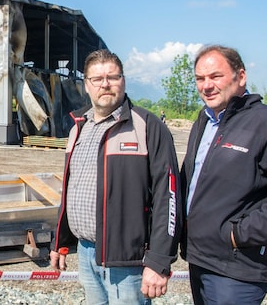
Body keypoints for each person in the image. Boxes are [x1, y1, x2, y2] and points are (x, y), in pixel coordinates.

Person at [180, 45, 267, 304]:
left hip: (238, 269)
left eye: (215, 76)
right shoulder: (205, 121)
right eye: (200, 79)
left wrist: (239, 234)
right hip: (200, 259)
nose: (206, 85)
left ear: (240, 76)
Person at [50, 49, 182, 304]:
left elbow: (169, 198)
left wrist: (159, 260)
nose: (105, 84)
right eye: (97, 79)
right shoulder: (79, 128)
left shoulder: (147, 127)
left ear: (123, 80)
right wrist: (61, 240)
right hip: (87, 253)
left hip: (128, 260)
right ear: (86, 85)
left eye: (113, 76)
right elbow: (70, 190)